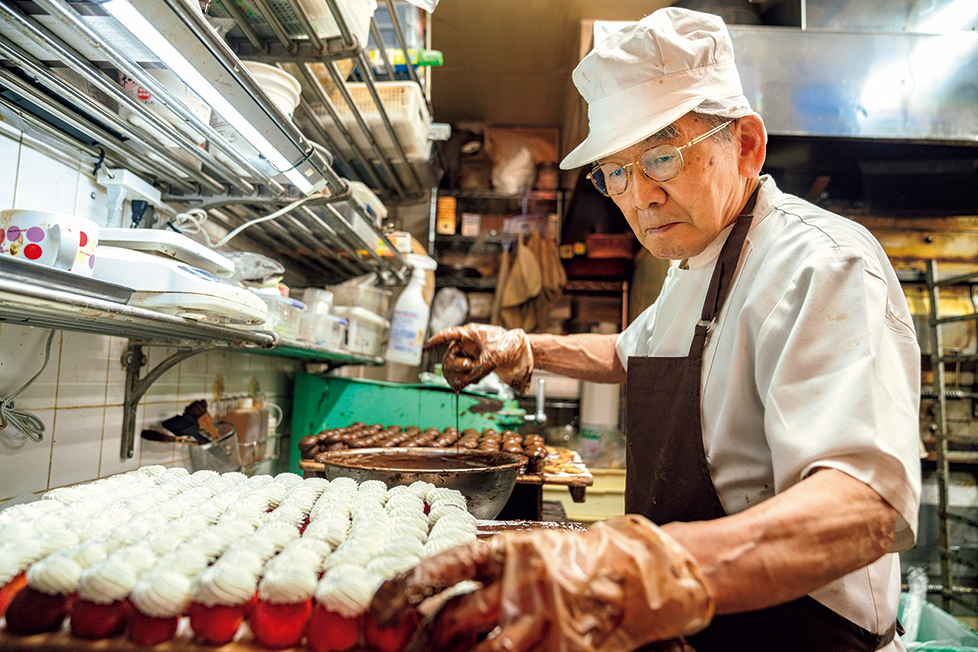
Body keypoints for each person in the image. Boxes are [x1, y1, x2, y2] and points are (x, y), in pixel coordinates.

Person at [371, 8, 922, 652]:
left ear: (745, 144)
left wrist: (646, 568)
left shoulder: (820, 264)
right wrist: (520, 346)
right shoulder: (693, 266)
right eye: (616, 172)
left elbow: (864, 509)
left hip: (799, 636)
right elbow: (626, 352)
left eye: (662, 157)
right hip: (694, 631)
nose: (639, 198)